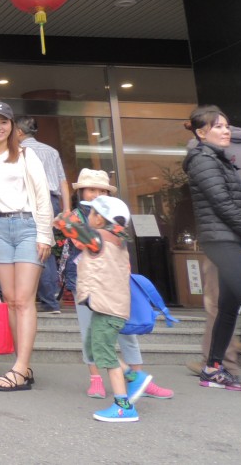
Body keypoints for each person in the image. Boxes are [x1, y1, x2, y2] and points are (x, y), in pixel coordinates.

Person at [62, 169, 173, 401]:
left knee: (126, 333)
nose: (96, 194)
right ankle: (96, 379)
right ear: (81, 192)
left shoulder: (114, 219)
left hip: (113, 284)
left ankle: (138, 380)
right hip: (86, 283)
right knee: (90, 333)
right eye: (91, 190)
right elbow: (77, 238)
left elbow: (95, 240)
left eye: (102, 191)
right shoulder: (79, 216)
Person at [0, 101, 54, 391]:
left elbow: (42, 196)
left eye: (3, 122)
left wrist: (45, 234)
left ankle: (19, 368)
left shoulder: (27, 156)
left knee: (23, 299)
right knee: (11, 300)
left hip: (28, 226)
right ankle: (23, 366)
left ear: (12, 126)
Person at [183, 105, 241, 397]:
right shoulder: (203, 160)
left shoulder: (218, 158)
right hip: (221, 240)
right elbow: (224, 204)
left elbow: (234, 204)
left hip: (229, 238)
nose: (225, 130)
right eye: (218, 126)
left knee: (228, 307)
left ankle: (213, 368)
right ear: (201, 133)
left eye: (226, 125)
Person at [59, 194, 145, 422]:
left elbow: (71, 228)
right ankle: (133, 377)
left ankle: (123, 406)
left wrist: (61, 218)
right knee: (94, 347)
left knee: (105, 355)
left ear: (100, 219)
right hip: (109, 307)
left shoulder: (99, 239)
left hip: (107, 309)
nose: (89, 216)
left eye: (92, 213)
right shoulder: (118, 240)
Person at [16, 115, 72, 314]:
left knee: (33, 248)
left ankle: (47, 300)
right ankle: (50, 299)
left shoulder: (19, 151)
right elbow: (62, 181)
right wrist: (66, 209)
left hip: (30, 200)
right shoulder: (51, 151)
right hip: (53, 201)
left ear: (19, 132)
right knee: (45, 245)